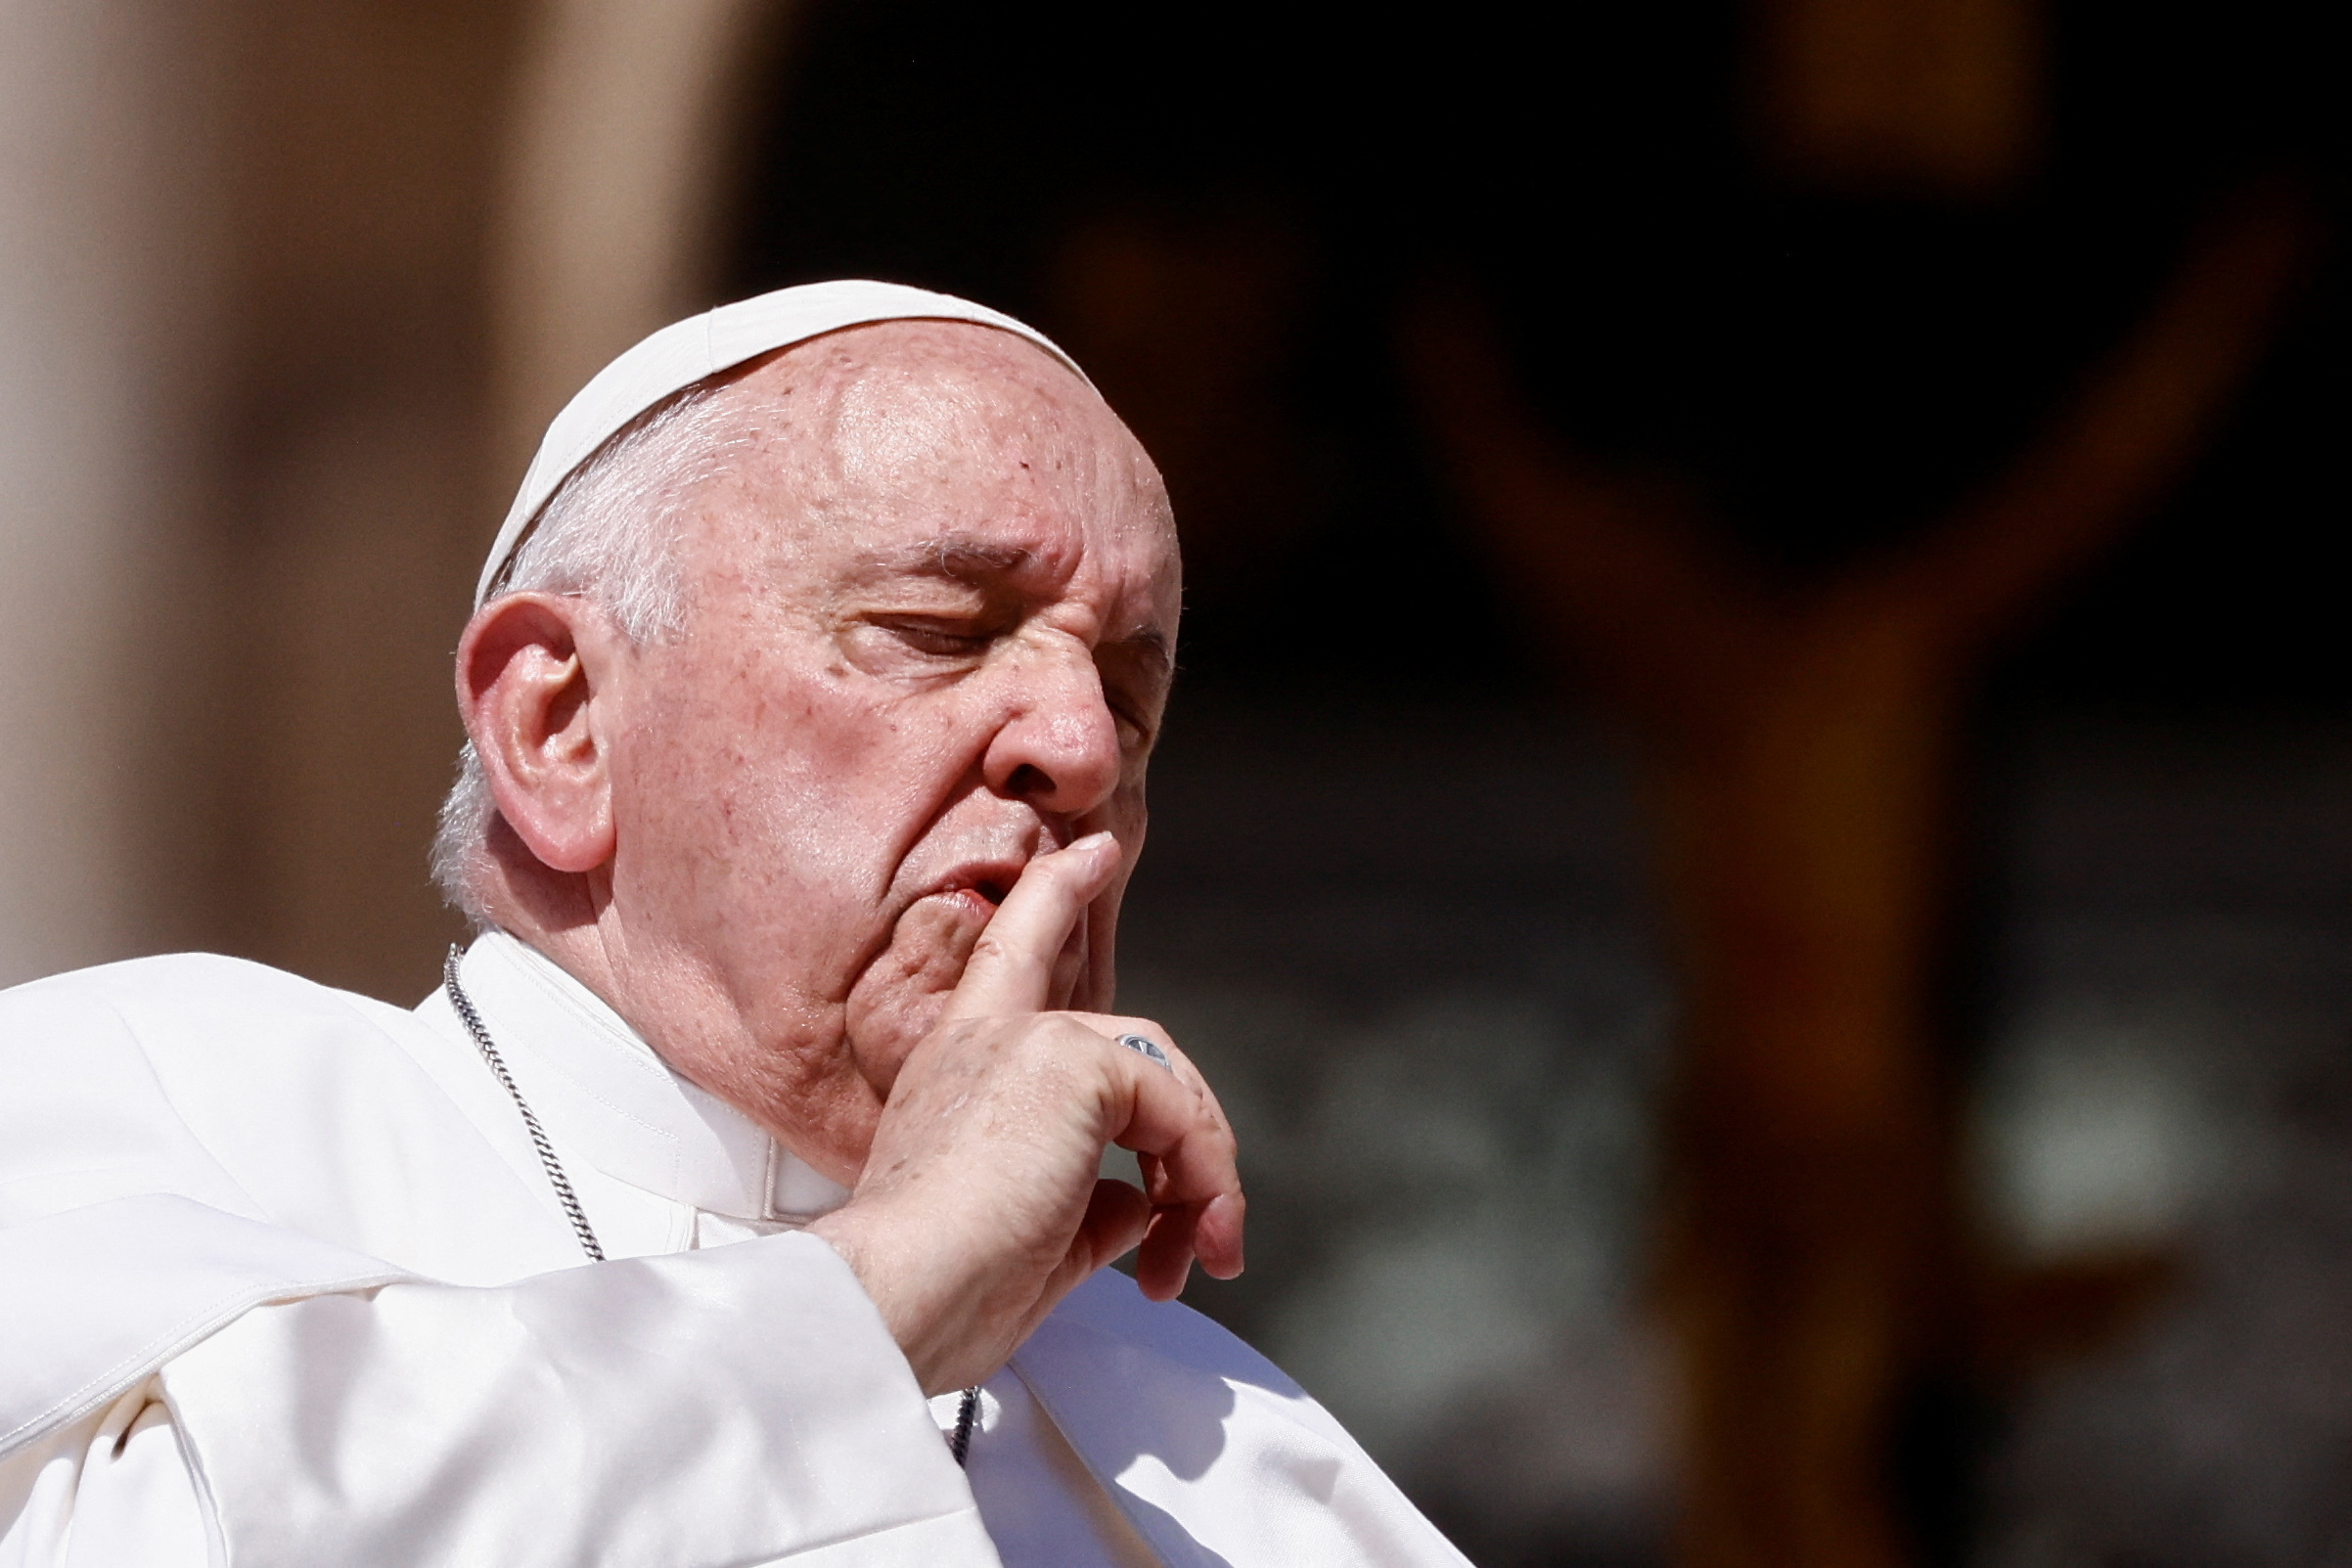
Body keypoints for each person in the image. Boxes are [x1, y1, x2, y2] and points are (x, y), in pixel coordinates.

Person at [0, 281, 1470, 1566]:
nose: (1080, 748)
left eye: (1132, 693)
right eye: (939, 631)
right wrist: (876, 1293)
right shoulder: (127, 1116)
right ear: (563, 726)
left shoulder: (1224, 1460)